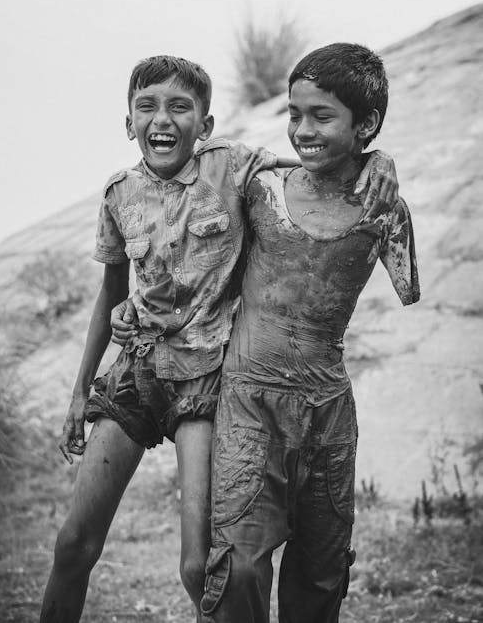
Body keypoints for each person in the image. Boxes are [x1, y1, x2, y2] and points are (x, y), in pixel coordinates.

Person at [40, 54, 399, 623]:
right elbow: (110, 296)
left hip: (206, 382)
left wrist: (380, 159)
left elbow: (314, 167)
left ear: (205, 126)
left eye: (180, 107)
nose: (162, 119)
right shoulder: (117, 195)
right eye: (147, 106)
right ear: (127, 120)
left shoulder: (232, 167)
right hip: (137, 371)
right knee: (73, 545)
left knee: (198, 564)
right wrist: (81, 389)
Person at [199, 44, 420, 623]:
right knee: (240, 564)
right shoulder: (262, 190)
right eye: (294, 114)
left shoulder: (384, 211)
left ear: (365, 124)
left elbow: (408, 284)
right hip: (248, 399)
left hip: (327, 410)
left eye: (322, 116)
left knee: (322, 572)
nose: (302, 129)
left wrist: (382, 163)